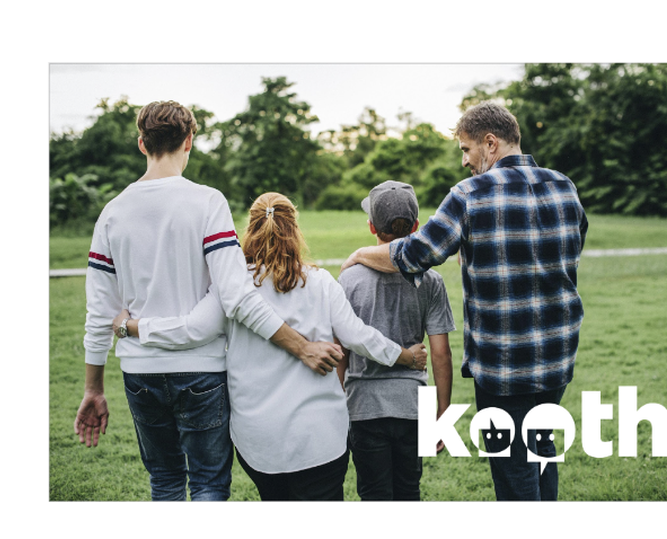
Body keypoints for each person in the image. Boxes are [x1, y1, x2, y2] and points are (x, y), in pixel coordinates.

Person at [75, 101, 343, 501]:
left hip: (140, 373)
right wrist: (302, 346)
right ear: (189, 141)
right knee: (208, 484)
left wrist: (93, 388)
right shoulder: (207, 202)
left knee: (164, 481)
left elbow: (100, 313)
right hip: (200, 371)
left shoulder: (111, 214)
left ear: (141, 143)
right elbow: (235, 297)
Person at [341, 101, 588, 501]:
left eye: (466, 149)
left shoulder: (471, 193)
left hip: (504, 365)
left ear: (490, 144)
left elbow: (415, 254)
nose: (464, 161)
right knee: (542, 448)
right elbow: (570, 250)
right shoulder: (564, 186)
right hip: (558, 357)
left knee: (513, 467)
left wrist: (359, 255)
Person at [114, 192, 428, 501]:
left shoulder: (230, 289)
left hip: (258, 442)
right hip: (319, 438)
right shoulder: (319, 283)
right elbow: (359, 337)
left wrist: (132, 326)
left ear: (249, 229)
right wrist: (406, 356)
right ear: (295, 230)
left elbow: (194, 329)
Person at [336, 180, 455, 501]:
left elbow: (340, 353)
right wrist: (442, 413)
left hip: (364, 409)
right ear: (416, 226)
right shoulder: (431, 280)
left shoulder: (348, 278)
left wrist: (338, 403)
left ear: (371, 226)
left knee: (374, 496)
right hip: (412, 408)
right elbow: (441, 354)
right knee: (408, 494)